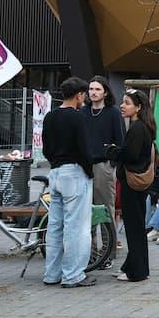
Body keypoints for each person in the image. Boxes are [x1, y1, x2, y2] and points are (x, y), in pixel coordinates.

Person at [42, 76, 97, 288]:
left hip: (55, 173)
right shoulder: (78, 118)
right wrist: (89, 170)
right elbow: (85, 150)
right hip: (75, 174)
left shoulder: (50, 117)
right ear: (79, 96)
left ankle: (51, 273)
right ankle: (73, 275)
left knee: (55, 226)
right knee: (77, 227)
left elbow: (46, 148)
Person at [111, 88, 155, 283]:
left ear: (138, 107)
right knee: (136, 226)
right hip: (138, 182)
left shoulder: (137, 128)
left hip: (132, 183)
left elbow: (131, 155)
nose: (123, 105)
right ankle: (132, 266)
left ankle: (136, 271)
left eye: (127, 103)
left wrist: (113, 152)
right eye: (123, 102)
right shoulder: (143, 126)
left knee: (134, 228)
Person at [82, 76, 124, 270]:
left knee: (105, 210)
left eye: (97, 89)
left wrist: (112, 163)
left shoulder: (113, 112)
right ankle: (90, 253)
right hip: (84, 166)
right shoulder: (83, 112)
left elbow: (120, 139)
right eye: (91, 89)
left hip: (104, 165)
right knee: (86, 211)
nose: (93, 92)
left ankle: (108, 253)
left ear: (105, 92)